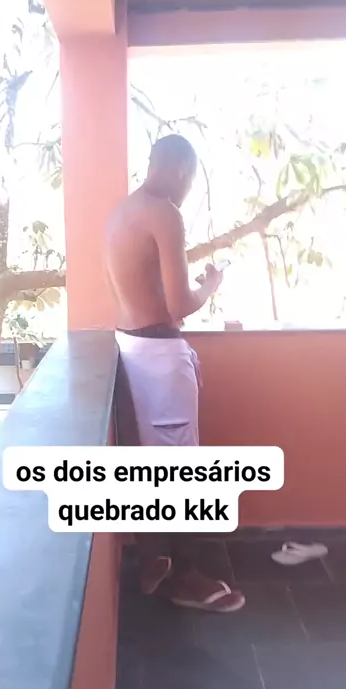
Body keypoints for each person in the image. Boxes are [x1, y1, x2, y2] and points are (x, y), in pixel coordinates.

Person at [104, 134, 245, 612]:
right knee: (181, 470)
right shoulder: (165, 213)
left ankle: (158, 564)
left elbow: (147, 290)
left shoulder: (121, 213)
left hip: (130, 348)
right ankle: (186, 580)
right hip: (160, 360)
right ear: (183, 170)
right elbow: (181, 304)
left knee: (153, 465)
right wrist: (210, 285)